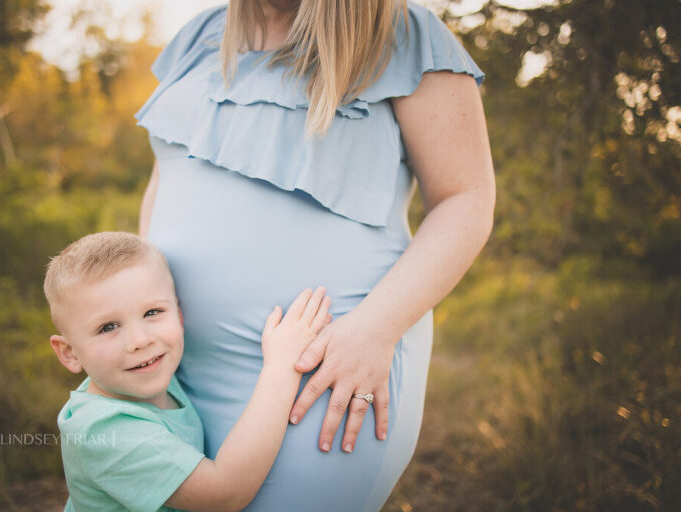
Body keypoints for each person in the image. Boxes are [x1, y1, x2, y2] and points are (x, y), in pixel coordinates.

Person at [135, 1, 495, 510]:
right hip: (173, 373)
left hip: (325, 371)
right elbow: (166, 177)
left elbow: (466, 199)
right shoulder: (198, 37)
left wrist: (374, 330)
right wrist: (136, 310)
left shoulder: (403, 33)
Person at [44, 231, 332, 511]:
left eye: (152, 313)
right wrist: (281, 364)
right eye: (108, 327)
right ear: (70, 353)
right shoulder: (103, 432)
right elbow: (226, 493)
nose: (140, 341)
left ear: (179, 315)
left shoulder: (152, 370)